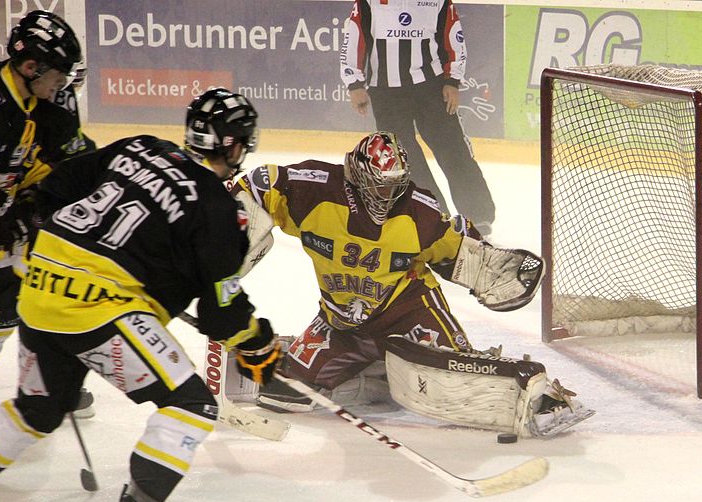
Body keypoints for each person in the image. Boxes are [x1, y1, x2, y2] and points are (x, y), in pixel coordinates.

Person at [0, 88, 282, 502]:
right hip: (101, 309)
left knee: (36, 411)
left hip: (38, 293)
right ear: (234, 145)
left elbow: (52, 189)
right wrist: (256, 344)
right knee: (191, 406)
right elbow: (222, 313)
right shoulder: (217, 207)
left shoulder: (138, 146)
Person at [228, 131, 593, 438]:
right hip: (341, 322)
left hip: (409, 310)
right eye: (377, 186)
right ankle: (379, 373)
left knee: (456, 373)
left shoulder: (418, 211)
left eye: (393, 186)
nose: (385, 196)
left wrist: (494, 269)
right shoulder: (316, 190)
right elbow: (260, 185)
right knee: (283, 391)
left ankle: (540, 395)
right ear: (355, 176)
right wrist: (229, 224)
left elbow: (457, 250)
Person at [0, 10, 96, 427]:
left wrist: (33, 207)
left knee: (10, 304)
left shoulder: (42, 101)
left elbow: (62, 162)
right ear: (30, 67)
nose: (63, 87)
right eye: (58, 78)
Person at [340, 0, 496, 236]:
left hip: (431, 87)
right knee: (405, 160)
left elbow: (452, 37)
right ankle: (433, 215)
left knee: (452, 148)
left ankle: (478, 214)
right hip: (385, 91)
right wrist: (354, 83)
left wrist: (452, 81)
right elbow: (355, 37)